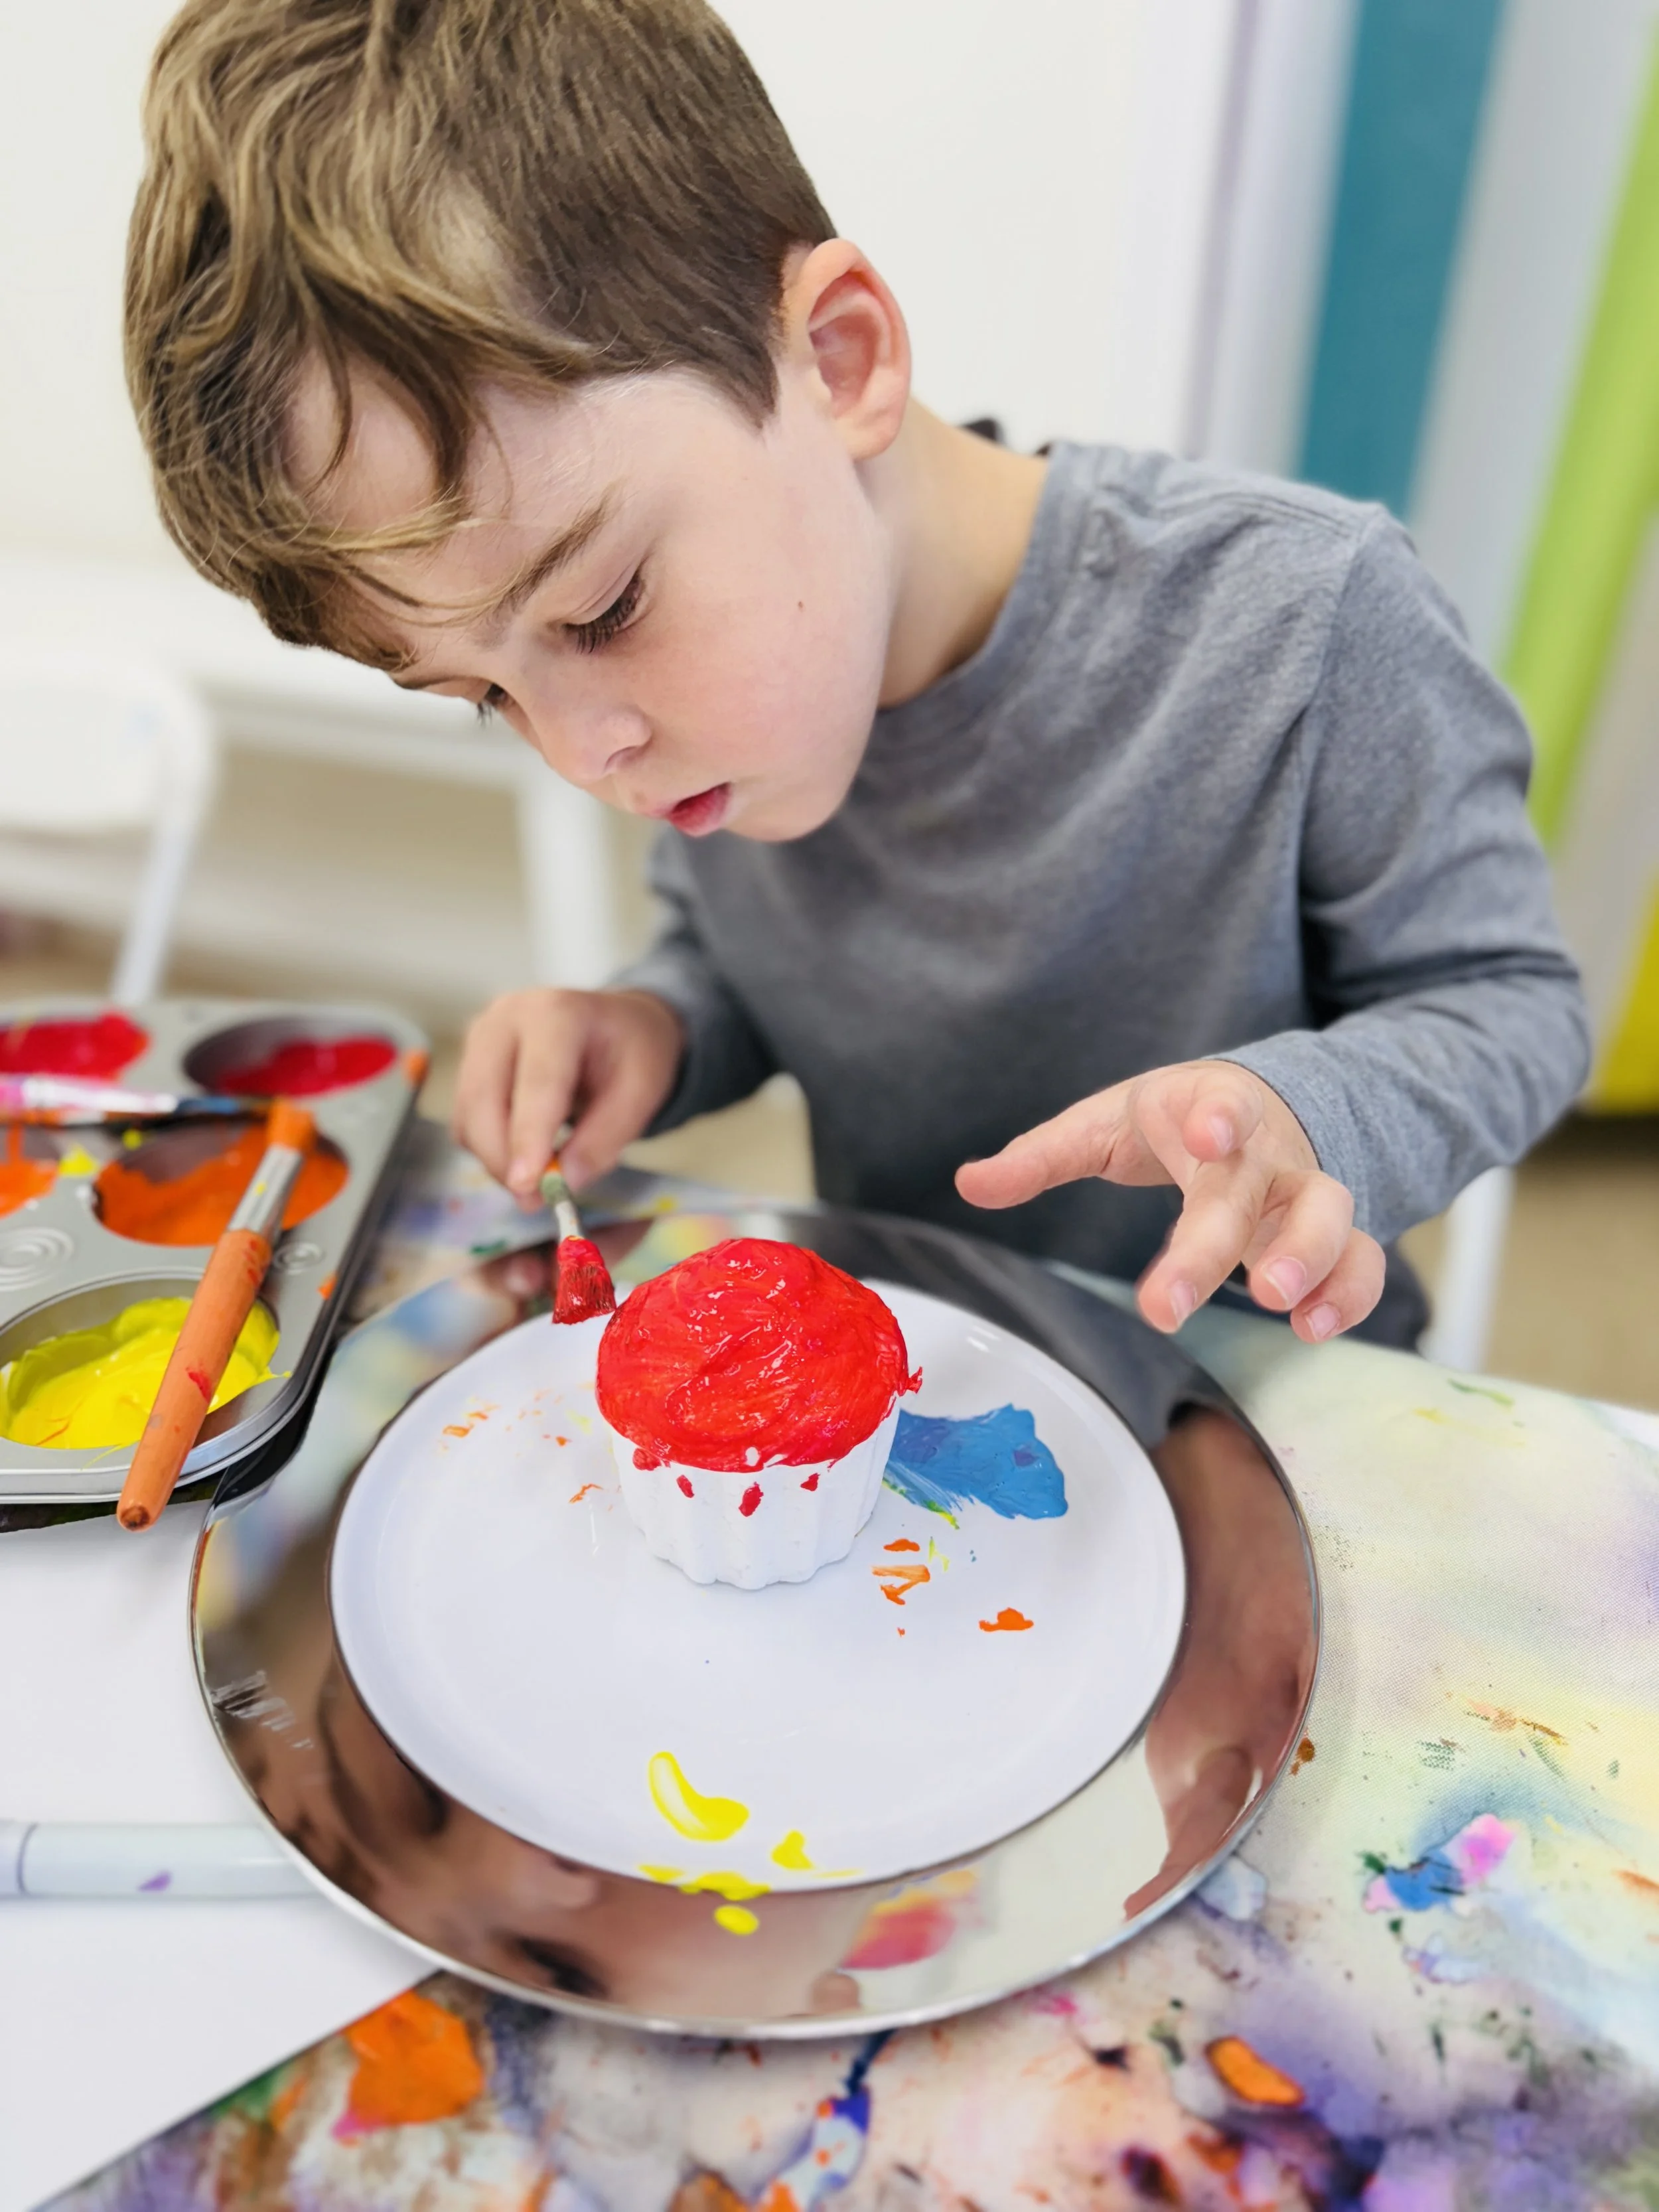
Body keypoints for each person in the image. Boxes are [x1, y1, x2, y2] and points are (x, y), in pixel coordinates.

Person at [123, 0, 1589, 1350]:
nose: (585, 756)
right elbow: (745, 961)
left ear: (835, 360)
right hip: (914, 1375)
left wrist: (1304, 1114)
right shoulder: (728, 719)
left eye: (604, 606)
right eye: (483, 694)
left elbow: (1506, 998)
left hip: (1255, 1393)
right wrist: (659, 1023)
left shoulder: (1304, 619)